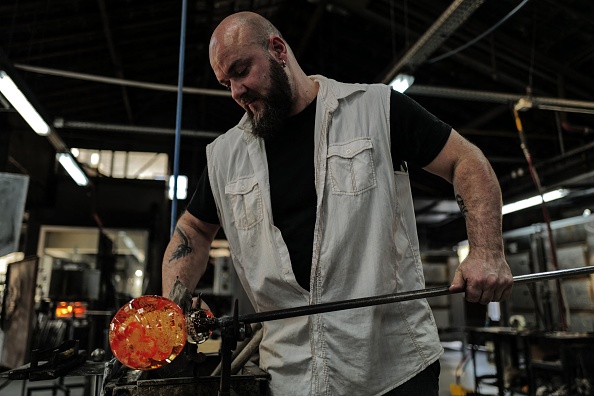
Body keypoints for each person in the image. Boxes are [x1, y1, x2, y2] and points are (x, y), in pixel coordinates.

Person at [162, 11, 513, 396]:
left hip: (392, 369)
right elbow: (193, 229)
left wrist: (486, 251)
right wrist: (171, 308)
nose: (236, 91)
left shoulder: (375, 109)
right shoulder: (225, 157)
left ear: (277, 49)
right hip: (289, 377)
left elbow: (467, 161)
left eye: (241, 70)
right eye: (226, 82)